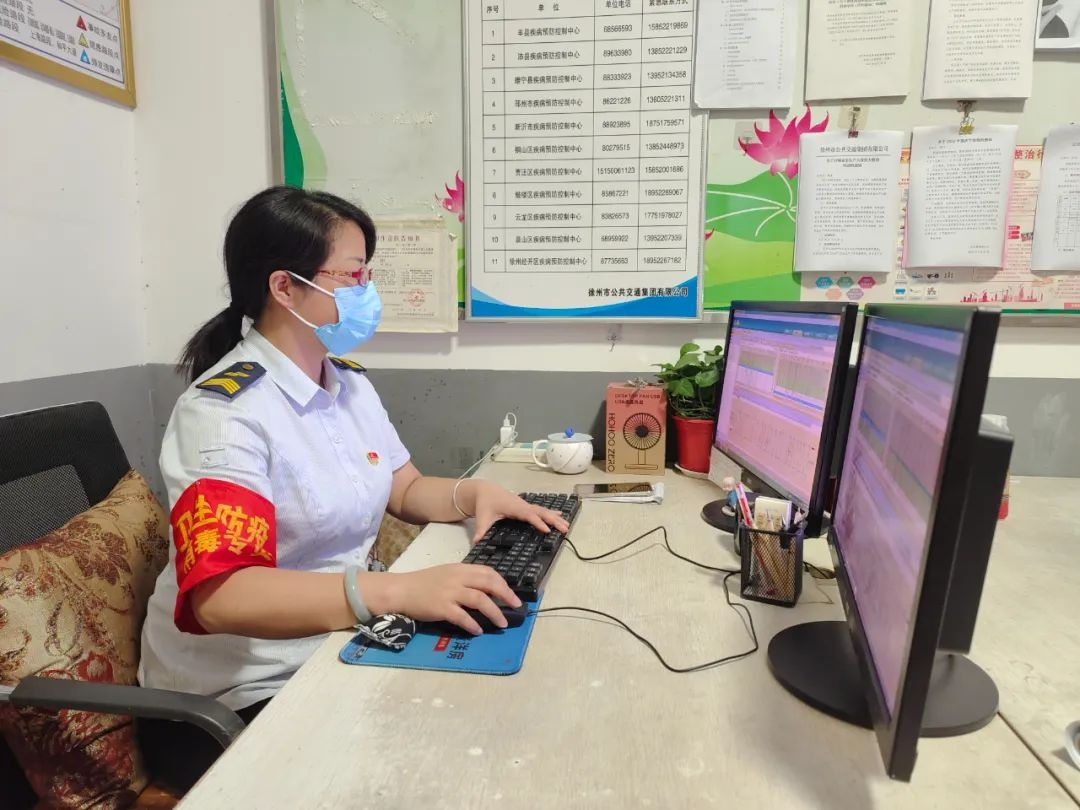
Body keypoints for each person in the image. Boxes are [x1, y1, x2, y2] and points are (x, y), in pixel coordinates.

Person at [137, 186, 568, 789]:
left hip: (337, 641)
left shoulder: (346, 384)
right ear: (284, 287)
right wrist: (396, 592)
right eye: (353, 275)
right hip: (239, 699)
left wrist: (474, 497)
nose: (368, 291)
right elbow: (222, 596)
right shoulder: (224, 413)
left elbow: (404, 488)